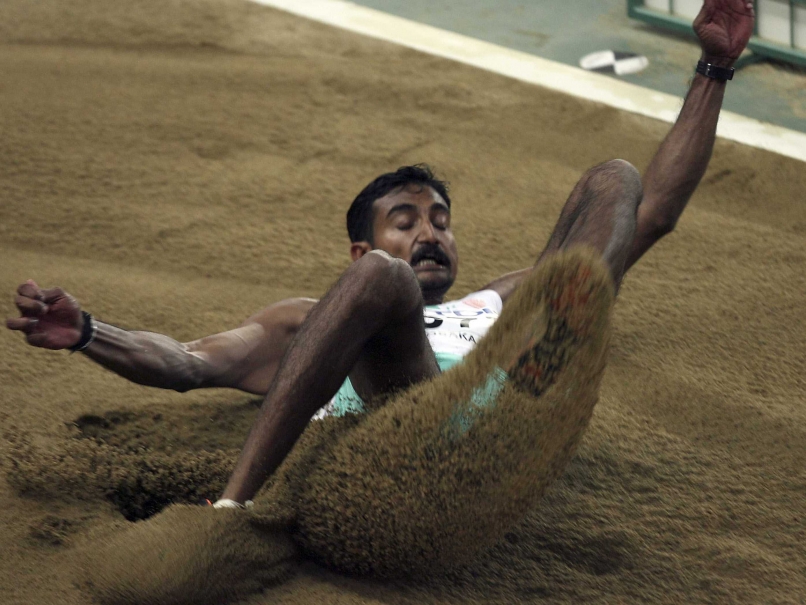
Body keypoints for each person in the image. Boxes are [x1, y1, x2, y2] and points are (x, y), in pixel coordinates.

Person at [7, 0, 754, 513]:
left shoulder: (489, 303)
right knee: (382, 287)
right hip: (390, 463)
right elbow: (188, 362)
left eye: (440, 220)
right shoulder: (304, 326)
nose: (430, 232)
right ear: (360, 245)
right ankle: (233, 505)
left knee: (614, 180)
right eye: (406, 220)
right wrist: (89, 331)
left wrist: (712, 70)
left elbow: (651, 213)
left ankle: (532, 410)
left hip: (498, 431)